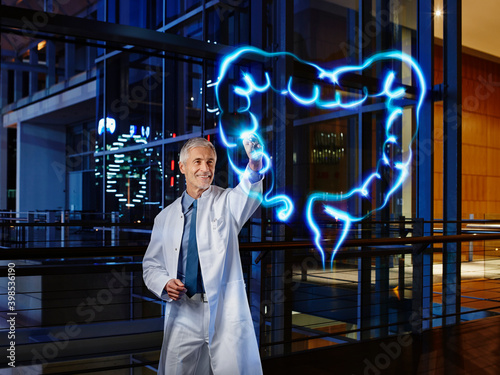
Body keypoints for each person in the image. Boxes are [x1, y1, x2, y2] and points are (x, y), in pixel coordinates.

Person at [142, 136, 264, 375]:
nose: (205, 169)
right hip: (183, 309)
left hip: (223, 309)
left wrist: (255, 165)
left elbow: (248, 192)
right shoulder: (165, 217)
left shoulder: (227, 201)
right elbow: (151, 265)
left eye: (210, 162)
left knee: (232, 369)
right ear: (183, 167)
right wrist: (165, 283)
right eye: (197, 161)